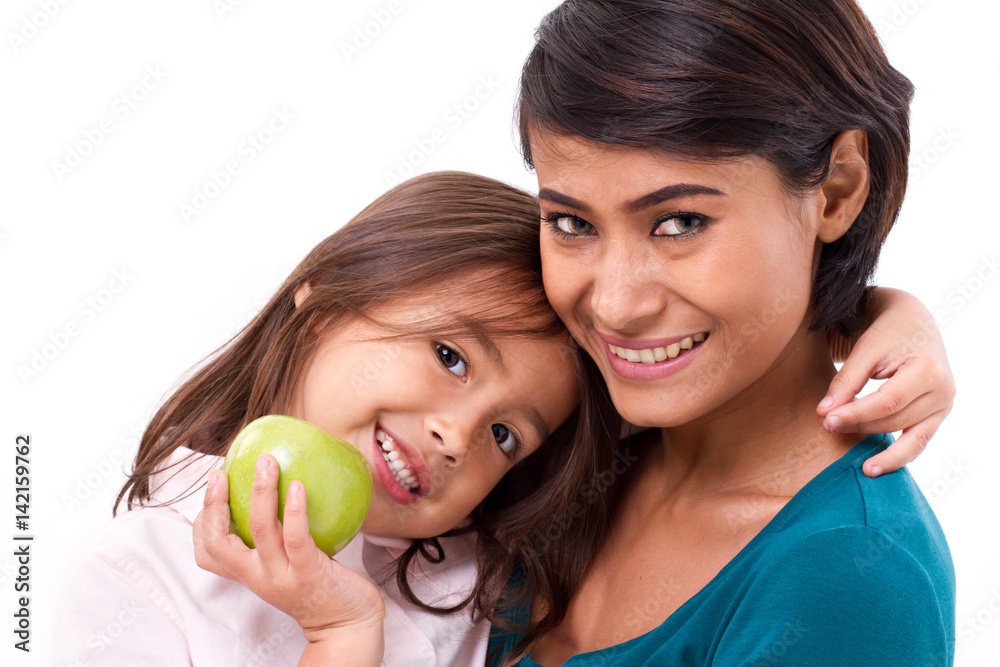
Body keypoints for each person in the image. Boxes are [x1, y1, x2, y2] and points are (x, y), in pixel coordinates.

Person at [54, 163, 950, 665]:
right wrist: (337, 632)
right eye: (448, 357)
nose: (454, 434)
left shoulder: (461, 564)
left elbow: (701, 350)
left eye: (506, 436)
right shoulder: (139, 583)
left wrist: (875, 310)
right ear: (321, 295)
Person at [487, 0, 956, 665]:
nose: (616, 306)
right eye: (572, 223)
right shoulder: (551, 431)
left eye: (679, 222)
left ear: (838, 190)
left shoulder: (849, 575)